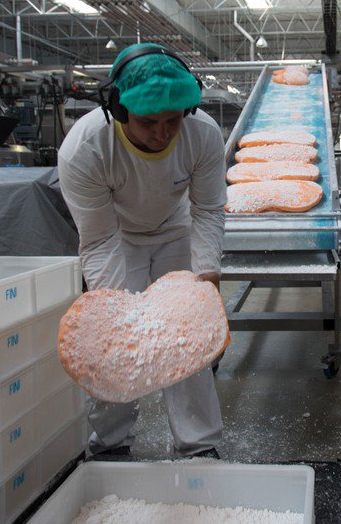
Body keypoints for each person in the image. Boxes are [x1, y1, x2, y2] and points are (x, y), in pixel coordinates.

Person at [57, 43, 226, 459]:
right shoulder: (86, 149)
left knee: (185, 339)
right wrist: (116, 312)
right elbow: (99, 240)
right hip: (117, 238)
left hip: (176, 230)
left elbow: (207, 210)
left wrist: (208, 276)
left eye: (173, 120)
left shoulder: (203, 134)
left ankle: (198, 444)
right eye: (148, 122)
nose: (162, 134)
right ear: (118, 110)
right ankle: (111, 443)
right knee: (113, 344)